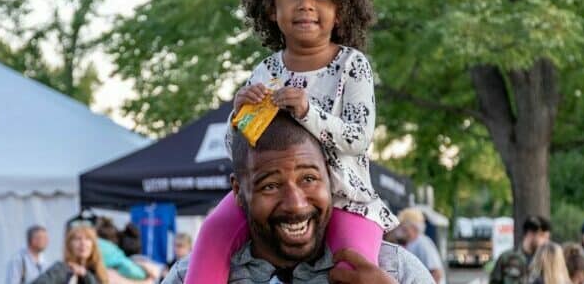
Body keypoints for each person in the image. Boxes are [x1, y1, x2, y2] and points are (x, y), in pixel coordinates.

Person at [186, 0, 398, 283]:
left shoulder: (352, 65)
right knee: (212, 230)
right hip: (272, 194)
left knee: (350, 269)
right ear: (271, 8)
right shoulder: (266, 71)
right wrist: (238, 117)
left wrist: (307, 111)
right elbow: (240, 151)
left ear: (341, 9)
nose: (305, 5)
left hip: (345, 198)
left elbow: (358, 138)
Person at [164, 112, 434, 283]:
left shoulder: (396, 271)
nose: (295, 204)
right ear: (239, 192)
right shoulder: (186, 277)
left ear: (330, 178)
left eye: (308, 179)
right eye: (270, 186)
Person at [33, 226, 108, 284]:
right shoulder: (62, 269)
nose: (83, 243)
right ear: (69, 245)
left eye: (88, 239)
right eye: (78, 239)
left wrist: (85, 274)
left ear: (93, 245)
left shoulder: (98, 271)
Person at [490, 216, 551, 284]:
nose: (546, 241)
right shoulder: (506, 258)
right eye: (543, 236)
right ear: (530, 234)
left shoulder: (546, 260)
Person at [396, 208, 445, 284]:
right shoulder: (409, 243)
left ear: (414, 228)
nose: (400, 230)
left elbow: (436, 273)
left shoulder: (423, 243)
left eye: (404, 228)